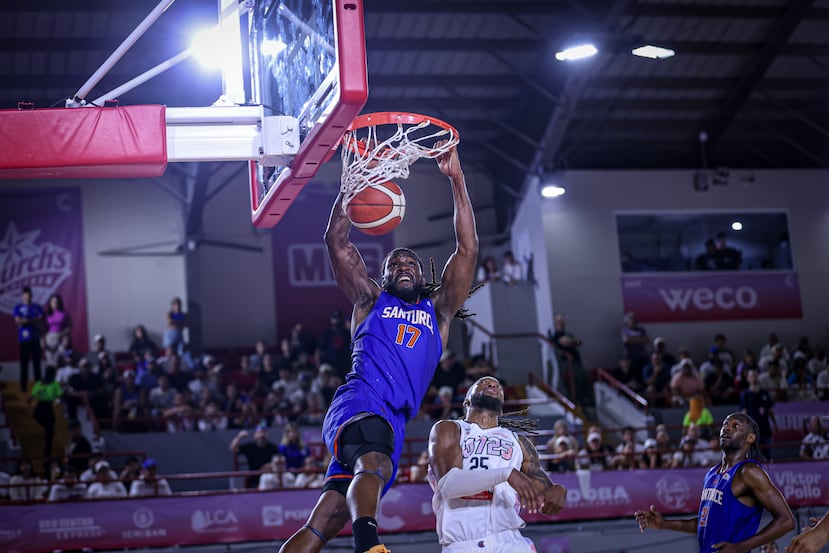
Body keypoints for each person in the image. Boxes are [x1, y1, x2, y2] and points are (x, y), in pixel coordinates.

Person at [278, 141, 478, 553]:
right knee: (376, 464)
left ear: (422, 276)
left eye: (410, 264)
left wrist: (457, 179)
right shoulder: (370, 301)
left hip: (393, 420)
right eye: (394, 265)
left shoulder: (439, 311)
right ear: (383, 277)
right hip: (361, 402)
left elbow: (468, 249)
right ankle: (369, 547)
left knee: (322, 523)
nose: (403, 267)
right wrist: (350, 186)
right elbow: (336, 242)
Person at [428, 376, 567, 552]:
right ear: (466, 401)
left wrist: (558, 491)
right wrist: (507, 473)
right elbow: (448, 486)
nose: (492, 384)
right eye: (482, 383)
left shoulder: (519, 442)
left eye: (497, 385)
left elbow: (546, 495)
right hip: (462, 544)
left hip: (509, 541)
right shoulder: (449, 429)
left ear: (501, 408)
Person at [635, 413, 794, 553]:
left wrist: (740, 547)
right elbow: (704, 523)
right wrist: (664, 524)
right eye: (725, 424)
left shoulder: (749, 472)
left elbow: (787, 521)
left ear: (750, 438)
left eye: (735, 426)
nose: (727, 428)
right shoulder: (712, 473)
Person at [13, 286, 44, 392]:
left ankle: (38, 386)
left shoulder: (37, 307)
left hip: (35, 338)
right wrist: (28, 320)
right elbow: (17, 320)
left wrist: (27, 320)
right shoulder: (18, 307)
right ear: (22, 296)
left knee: (37, 364)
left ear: (31, 295)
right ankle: (23, 387)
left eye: (29, 293)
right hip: (24, 339)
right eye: (25, 294)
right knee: (24, 364)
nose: (27, 296)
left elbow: (40, 319)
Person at [230, 423, 279, 489]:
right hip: (254, 479)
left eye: (264, 432)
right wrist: (239, 437)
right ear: (255, 435)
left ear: (267, 435)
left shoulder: (273, 447)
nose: (261, 435)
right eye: (259, 433)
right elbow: (233, 448)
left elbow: (279, 461)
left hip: (269, 478)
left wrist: (271, 465)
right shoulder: (250, 447)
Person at [29, 365, 62, 459]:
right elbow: (34, 394)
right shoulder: (46, 383)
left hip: (45, 406)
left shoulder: (47, 383)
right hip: (43, 406)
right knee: (48, 428)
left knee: (49, 431)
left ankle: (47, 453)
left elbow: (60, 394)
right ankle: (47, 453)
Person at [42, 293, 72, 366]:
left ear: (59, 303)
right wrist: (42, 340)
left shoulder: (64, 314)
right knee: (50, 362)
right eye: (53, 302)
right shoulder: (47, 314)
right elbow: (43, 329)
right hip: (49, 338)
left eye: (56, 302)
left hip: (60, 337)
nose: (54, 303)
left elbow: (69, 327)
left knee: (59, 360)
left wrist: (62, 334)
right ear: (50, 303)